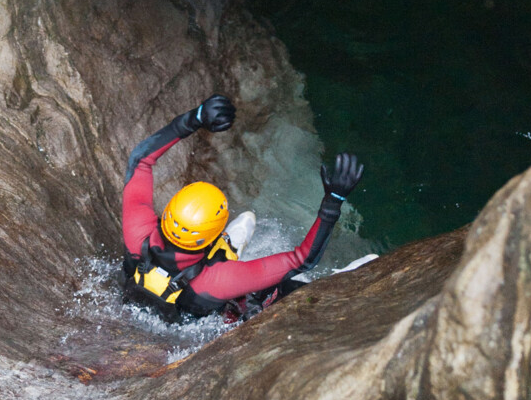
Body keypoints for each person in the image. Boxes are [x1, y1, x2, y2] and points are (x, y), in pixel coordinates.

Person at [121, 94, 364, 319]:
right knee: (280, 290)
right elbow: (301, 260)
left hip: (154, 303)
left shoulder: (137, 234)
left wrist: (195, 118)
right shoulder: (219, 280)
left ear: (168, 213)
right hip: (210, 305)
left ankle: (225, 251)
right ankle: (339, 279)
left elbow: (139, 160)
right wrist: (333, 201)